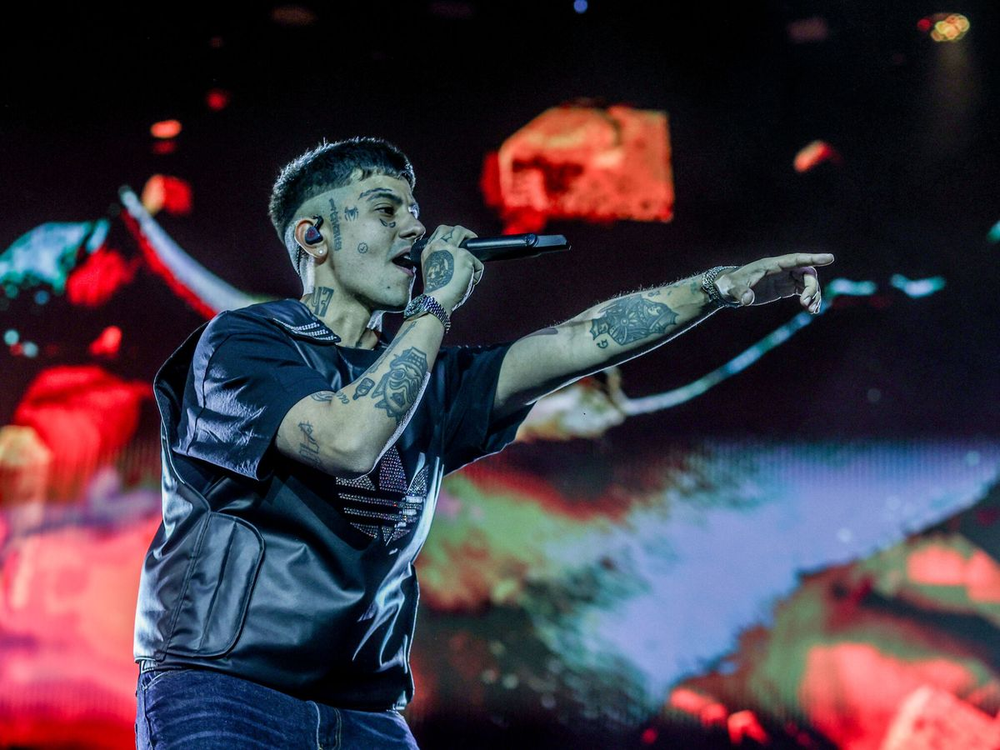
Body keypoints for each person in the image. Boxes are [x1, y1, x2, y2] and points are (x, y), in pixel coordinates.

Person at [133, 136, 833, 749]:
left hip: (365, 712)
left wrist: (716, 288)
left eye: (415, 211)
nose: (415, 228)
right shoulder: (243, 344)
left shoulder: (433, 382)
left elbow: (576, 339)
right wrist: (435, 304)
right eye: (386, 210)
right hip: (226, 693)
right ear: (314, 236)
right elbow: (348, 440)